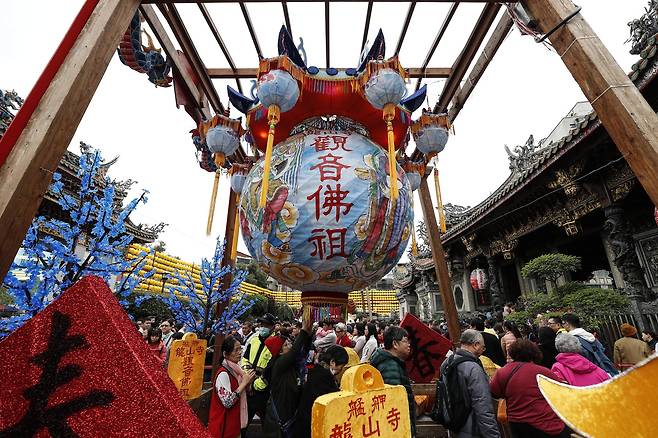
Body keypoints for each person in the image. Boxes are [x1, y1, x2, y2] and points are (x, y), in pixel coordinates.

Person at [490, 340, 570, 438]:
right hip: (545, 424)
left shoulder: (502, 372)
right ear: (534, 353)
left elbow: (494, 393)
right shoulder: (543, 372)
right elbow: (561, 391)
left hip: (517, 424)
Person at [439, 329, 500, 438]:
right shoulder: (473, 368)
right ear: (476, 345)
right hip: (472, 428)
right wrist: (493, 435)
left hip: (453, 425)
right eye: (483, 346)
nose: (483, 350)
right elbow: (483, 406)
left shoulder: (447, 363)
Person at [263, 313, 313, 438]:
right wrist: (303, 331)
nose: (289, 346)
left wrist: (309, 332)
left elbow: (303, 351)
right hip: (282, 415)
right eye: (285, 345)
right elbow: (295, 351)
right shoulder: (279, 363)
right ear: (279, 352)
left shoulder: (291, 364)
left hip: (290, 411)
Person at [370, 326, 416, 436]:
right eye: (405, 341)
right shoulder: (390, 366)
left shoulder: (390, 362)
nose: (409, 344)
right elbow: (393, 403)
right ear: (395, 344)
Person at [294, 345, 348, 438]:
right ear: (332, 362)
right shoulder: (324, 379)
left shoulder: (316, 370)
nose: (341, 369)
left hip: (303, 422)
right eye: (341, 366)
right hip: (310, 427)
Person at [209, 336, 256, 438]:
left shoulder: (237, 371)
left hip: (234, 424)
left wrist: (248, 383)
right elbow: (228, 402)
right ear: (225, 354)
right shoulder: (223, 374)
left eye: (240, 349)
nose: (240, 353)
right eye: (236, 350)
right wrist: (244, 383)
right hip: (224, 426)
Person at [242, 313, 277, 424]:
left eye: (266, 325)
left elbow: (273, 368)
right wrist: (248, 377)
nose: (263, 327)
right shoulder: (254, 340)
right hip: (248, 384)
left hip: (264, 389)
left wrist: (256, 384)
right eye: (261, 324)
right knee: (244, 420)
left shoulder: (276, 343)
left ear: (273, 327)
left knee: (266, 422)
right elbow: (245, 358)